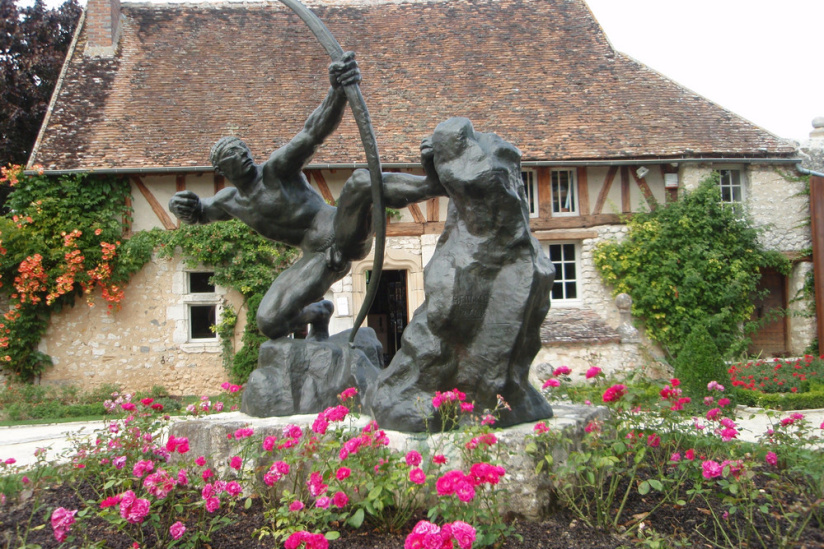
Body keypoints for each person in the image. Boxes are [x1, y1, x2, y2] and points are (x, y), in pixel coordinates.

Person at [169, 53, 444, 341]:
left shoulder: (277, 171)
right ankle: (318, 313)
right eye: (232, 155)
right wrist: (180, 205)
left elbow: (313, 132)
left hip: (341, 229)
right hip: (314, 256)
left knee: (361, 181)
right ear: (221, 169)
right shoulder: (230, 201)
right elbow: (201, 212)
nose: (242, 154)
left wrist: (337, 90)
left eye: (242, 149)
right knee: (269, 321)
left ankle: (433, 185)